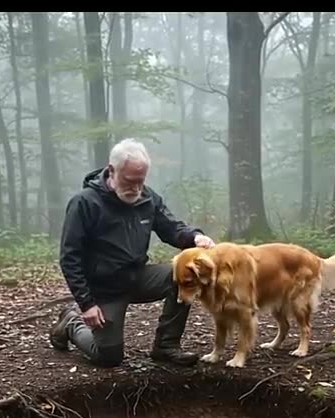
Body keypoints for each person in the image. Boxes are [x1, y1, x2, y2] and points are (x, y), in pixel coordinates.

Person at [49, 138, 215, 367]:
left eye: (141, 181)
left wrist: (195, 237)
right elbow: (70, 258)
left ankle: (166, 346)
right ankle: (71, 323)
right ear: (111, 171)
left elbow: (171, 228)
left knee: (184, 275)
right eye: (129, 181)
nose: (136, 189)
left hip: (138, 276)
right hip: (104, 288)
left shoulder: (148, 198)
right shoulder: (84, 203)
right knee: (108, 357)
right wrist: (86, 304)